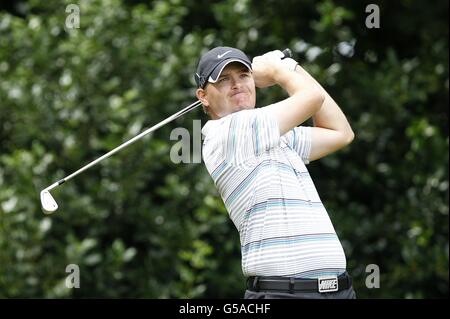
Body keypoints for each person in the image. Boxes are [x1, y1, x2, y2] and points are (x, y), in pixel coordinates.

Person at [195, 46, 356, 299]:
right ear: (203, 96)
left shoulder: (276, 136)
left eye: (243, 75)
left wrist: (289, 67)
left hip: (339, 291)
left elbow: (341, 133)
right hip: (282, 294)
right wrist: (280, 70)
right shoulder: (226, 133)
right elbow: (312, 98)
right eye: (224, 79)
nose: (237, 84)